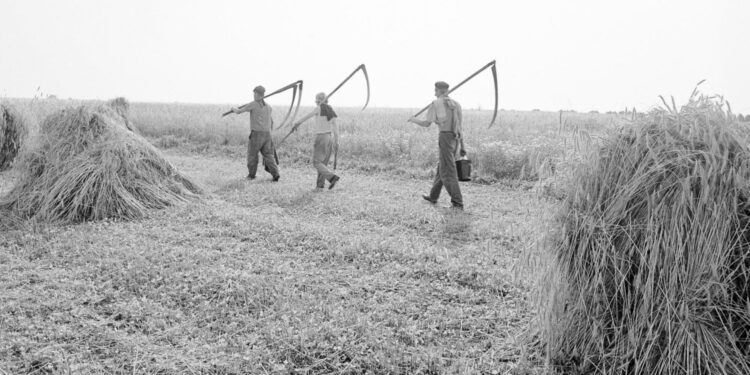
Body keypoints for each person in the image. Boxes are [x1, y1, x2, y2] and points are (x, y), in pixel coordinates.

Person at [408, 81, 465, 210]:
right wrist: (463, 146)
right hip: (455, 139)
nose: (434, 93)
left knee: (448, 171)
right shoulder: (457, 104)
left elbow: (426, 123)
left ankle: (457, 202)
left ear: (440, 91)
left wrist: (413, 119)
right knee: (443, 166)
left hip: (445, 137)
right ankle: (433, 196)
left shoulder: (436, 103)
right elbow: (460, 127)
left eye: (436, 90)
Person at [291, 92, 340, 189]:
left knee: (316, 162)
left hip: (321, 137)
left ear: (318, 100)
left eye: (316, 99)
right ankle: (320, 186)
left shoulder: (318, 108)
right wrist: (336, 140)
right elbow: (335, 126)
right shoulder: (331, 110)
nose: (315, 101)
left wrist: (297, 123)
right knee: (323, 164)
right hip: (329, 137)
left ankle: (332, 177)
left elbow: (307, 116)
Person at [230, 85, 280, 181]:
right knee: (269, 155)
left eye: (255, 94)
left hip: (256, 134)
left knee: (252, 155)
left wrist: (233, 108)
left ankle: (251, 175)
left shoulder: (253, 104)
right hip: (267, 134)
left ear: (257, 94)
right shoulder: (269, 107)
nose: (254, 96)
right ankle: (275, 174)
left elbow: (239, 111)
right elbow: (272, 122)